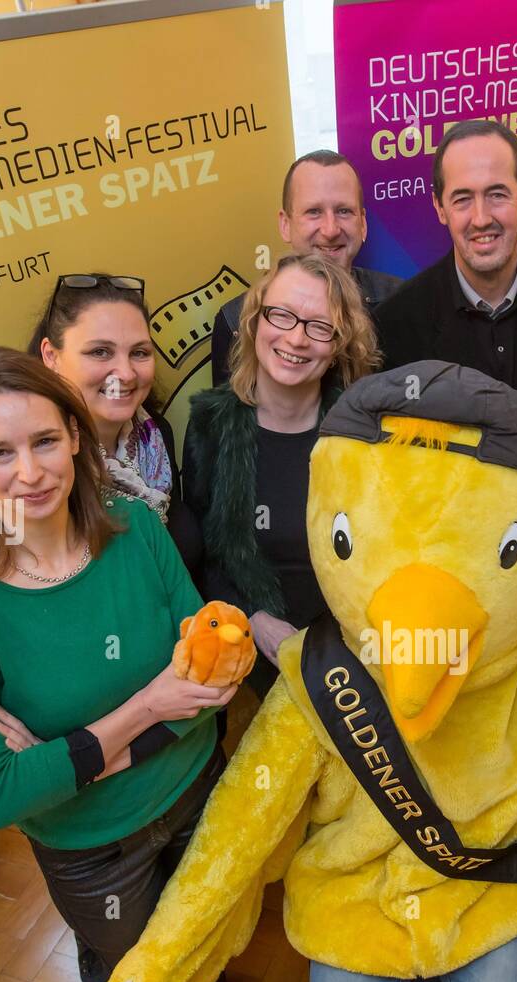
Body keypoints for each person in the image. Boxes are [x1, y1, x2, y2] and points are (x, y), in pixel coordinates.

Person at [0, 347, 257, 982]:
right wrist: (149, 707)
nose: (31, 471)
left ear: (76, 437)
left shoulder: (139, 531)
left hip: (195, 794)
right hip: (95, 853)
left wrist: (74, 757)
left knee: (201, 927)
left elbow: (210, 686)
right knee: (133, 969)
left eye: (45, 440)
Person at [373, 118, 517, 616]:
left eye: (497, 194)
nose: (481, 217)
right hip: (450, 585)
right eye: (462, 198)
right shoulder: (397, 324)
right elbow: (402, 465)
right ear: (439, 207)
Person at [185, 252, 381, 695]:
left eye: (319, 326)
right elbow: (203, 555)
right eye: (283, 315)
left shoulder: (365, 432)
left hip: (361, 669)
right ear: (255, 321)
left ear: (338, 345)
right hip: (252, 671)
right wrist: (253, 617)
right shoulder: (209, 425)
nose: (296, 339)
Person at [29, 273, 202, 577]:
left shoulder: (155, 435)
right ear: (51, 356)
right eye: (100, 352)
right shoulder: (30, 468)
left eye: (139, 353)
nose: (125, 373)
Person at [211, 150, 402, 385]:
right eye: (314, 212)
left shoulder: (400, 304)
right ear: (285, 224)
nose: (330, 230)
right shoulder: (236, 322)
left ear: (362, 223)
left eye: (344, 211)